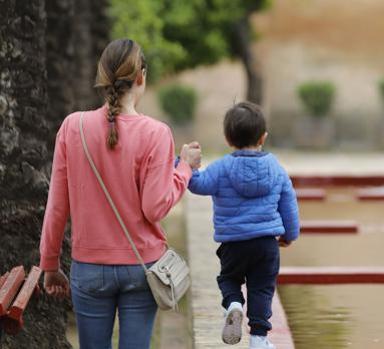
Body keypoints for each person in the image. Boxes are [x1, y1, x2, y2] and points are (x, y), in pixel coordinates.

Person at [38, 38, 202, 349]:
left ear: (102, 78)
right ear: (141, 77)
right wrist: (185, 170)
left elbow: (57, 205)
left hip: (89, 267)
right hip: (142, 266)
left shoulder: (73, 127)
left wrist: (50, 264)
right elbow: (155, 208)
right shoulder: (156, 134)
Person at [187, 101, 300, 349]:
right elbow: (289, 203)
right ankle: (259, 339)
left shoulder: (221, 168)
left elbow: (197, 185)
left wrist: (188, 166)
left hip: (233, 244)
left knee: (229, 279)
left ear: (228, 139)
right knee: (262, 289)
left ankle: (234, 304)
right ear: (263, 137)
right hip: (266, 245)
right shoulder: (276, 169)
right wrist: (290, 234)